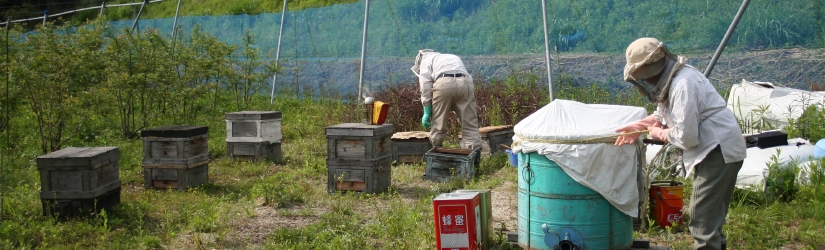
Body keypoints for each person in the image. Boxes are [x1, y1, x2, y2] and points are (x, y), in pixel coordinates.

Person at [614, 38, 746, 250]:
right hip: (712, 149)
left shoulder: (683, 84)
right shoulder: (673, 80)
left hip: (718, 149)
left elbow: (686, 137)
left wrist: (657, 133)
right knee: (710, 218)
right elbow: (662, 114)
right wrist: (639, 126)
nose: (645, 82)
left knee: (703, 218)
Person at [411, 49, 482, 151]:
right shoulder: (449, 57)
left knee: (438, 124)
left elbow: (425, 86)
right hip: (466, 82)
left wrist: (426, 108)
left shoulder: (426, 60)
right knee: (469, 125)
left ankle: (436, 153)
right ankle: (474, 159)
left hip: (444, 83)